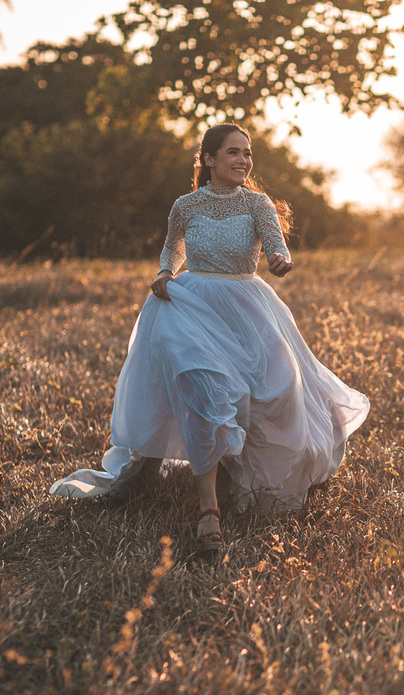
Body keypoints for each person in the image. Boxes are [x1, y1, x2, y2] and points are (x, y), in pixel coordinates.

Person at [51, 123, 370, 553]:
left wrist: (279, 259)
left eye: (247, 153)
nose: (243, 160)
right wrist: (165, 272)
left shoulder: (259, 204)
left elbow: (278, 246)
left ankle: (243, 479)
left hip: (247, 304)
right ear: (209, 160)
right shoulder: (185, 205)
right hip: (192, 304)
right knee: (204, 389)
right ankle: (208, 512)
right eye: (234, 153)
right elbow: (172, 248)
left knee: (276, 391)